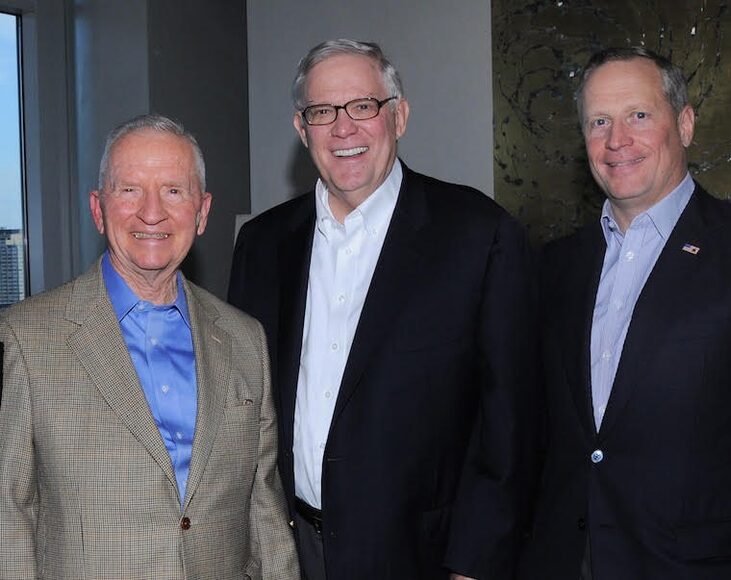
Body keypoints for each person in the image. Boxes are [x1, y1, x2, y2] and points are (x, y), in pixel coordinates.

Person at [228, 39, 535, 580]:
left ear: (399, 116)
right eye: (323, 112)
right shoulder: (261, 245)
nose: (343, 128)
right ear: (302, 131)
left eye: (363, 106)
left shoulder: (477, 235)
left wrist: (473, 564)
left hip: (424, 557)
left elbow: (510, 424)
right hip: (289, 554)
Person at [518, 47, 731, 579]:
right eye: (599, 121)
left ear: (684, 124)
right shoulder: (554, 266)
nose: (618, 140)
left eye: (639, 115)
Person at [0, 114, 300, 580]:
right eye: (129, 190)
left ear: (202, 213)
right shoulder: (24, 337)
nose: (152, 212)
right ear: (98, 209)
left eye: (174, 191)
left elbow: (264, 512)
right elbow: (7, 518)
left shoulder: (245, 340)